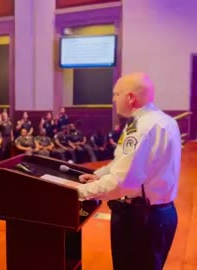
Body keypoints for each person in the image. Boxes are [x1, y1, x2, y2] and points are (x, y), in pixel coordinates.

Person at [77, 73, 181, 270]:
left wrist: (77, 192)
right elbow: (126, 165)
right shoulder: (165, 121)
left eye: (116, 94)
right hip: (163, 213)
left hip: (140, 219)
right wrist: (99, 175)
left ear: (130, 98)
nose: (113, 99)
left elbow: (122, 182)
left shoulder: (141, 128)